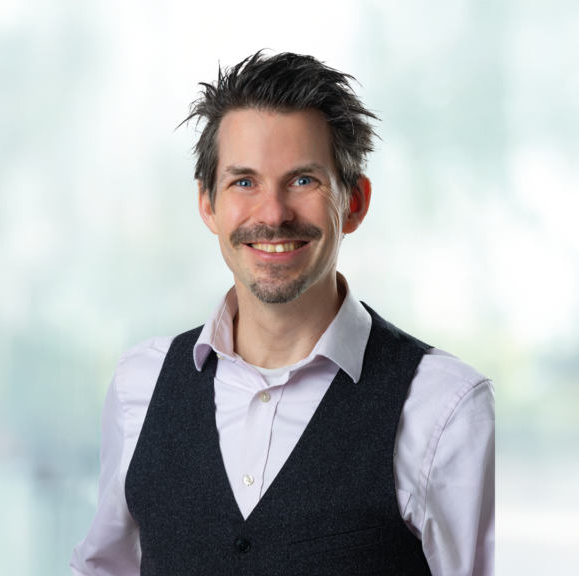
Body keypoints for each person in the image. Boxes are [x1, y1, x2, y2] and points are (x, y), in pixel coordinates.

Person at [71, 51, 494, 576]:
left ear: (354, 203)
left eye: (303, 181)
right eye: (244, 182)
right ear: (208, 204)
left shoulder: (444, 406)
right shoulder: (140, 384)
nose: (272, 214)